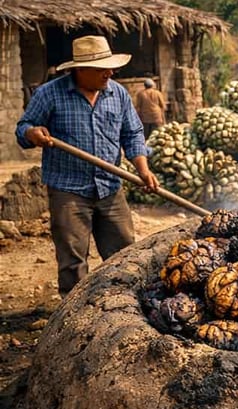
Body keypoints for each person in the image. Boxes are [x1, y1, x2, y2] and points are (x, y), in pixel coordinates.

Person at [15, 34, 160, 298]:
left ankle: (125, 305)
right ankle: (74, 316)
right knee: (73, 262)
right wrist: (32, 133)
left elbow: (133, 134)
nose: (110, 73)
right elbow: (23, 128)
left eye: (110, 67)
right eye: (102, 69)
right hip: (68, 190)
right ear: (80, 70)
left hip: (110, 188)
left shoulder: (118, 94)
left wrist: (142, 169)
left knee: (124, 253)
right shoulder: (50, 94)